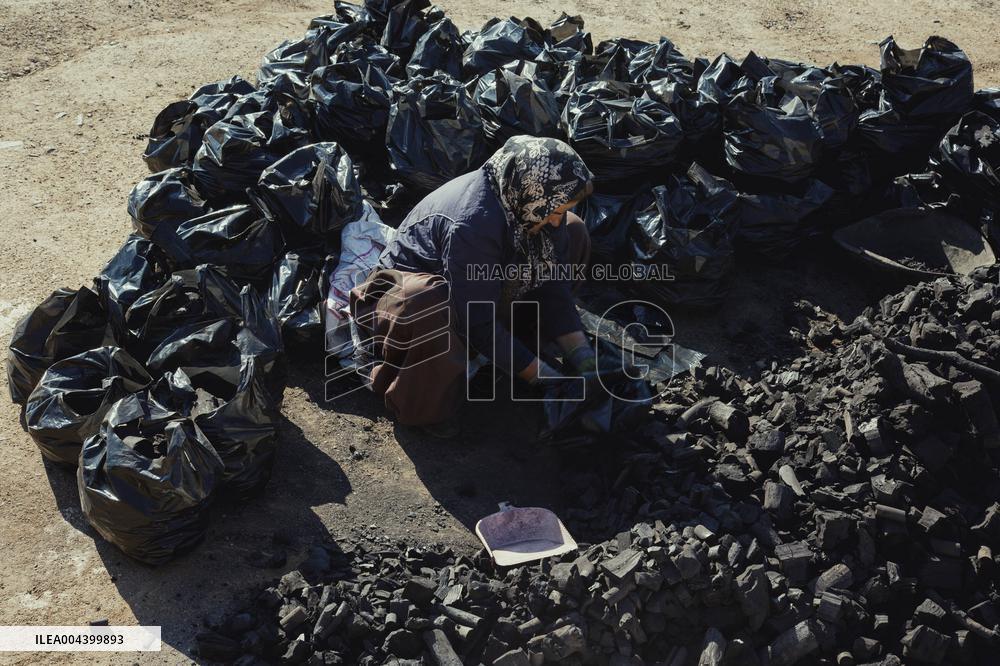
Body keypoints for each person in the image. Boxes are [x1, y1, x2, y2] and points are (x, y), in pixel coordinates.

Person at [350, 135, 598, 435]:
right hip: (404, 307)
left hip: (475, 289)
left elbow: (552, 282)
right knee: (426, 301)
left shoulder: (525, 197)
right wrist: (546, 379)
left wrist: (584, 359)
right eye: (555, 210)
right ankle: (423, 403)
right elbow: (477, 321)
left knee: (575, 230)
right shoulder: (473, 221)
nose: (556, 220)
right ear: (534, 192)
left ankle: (521, 349)